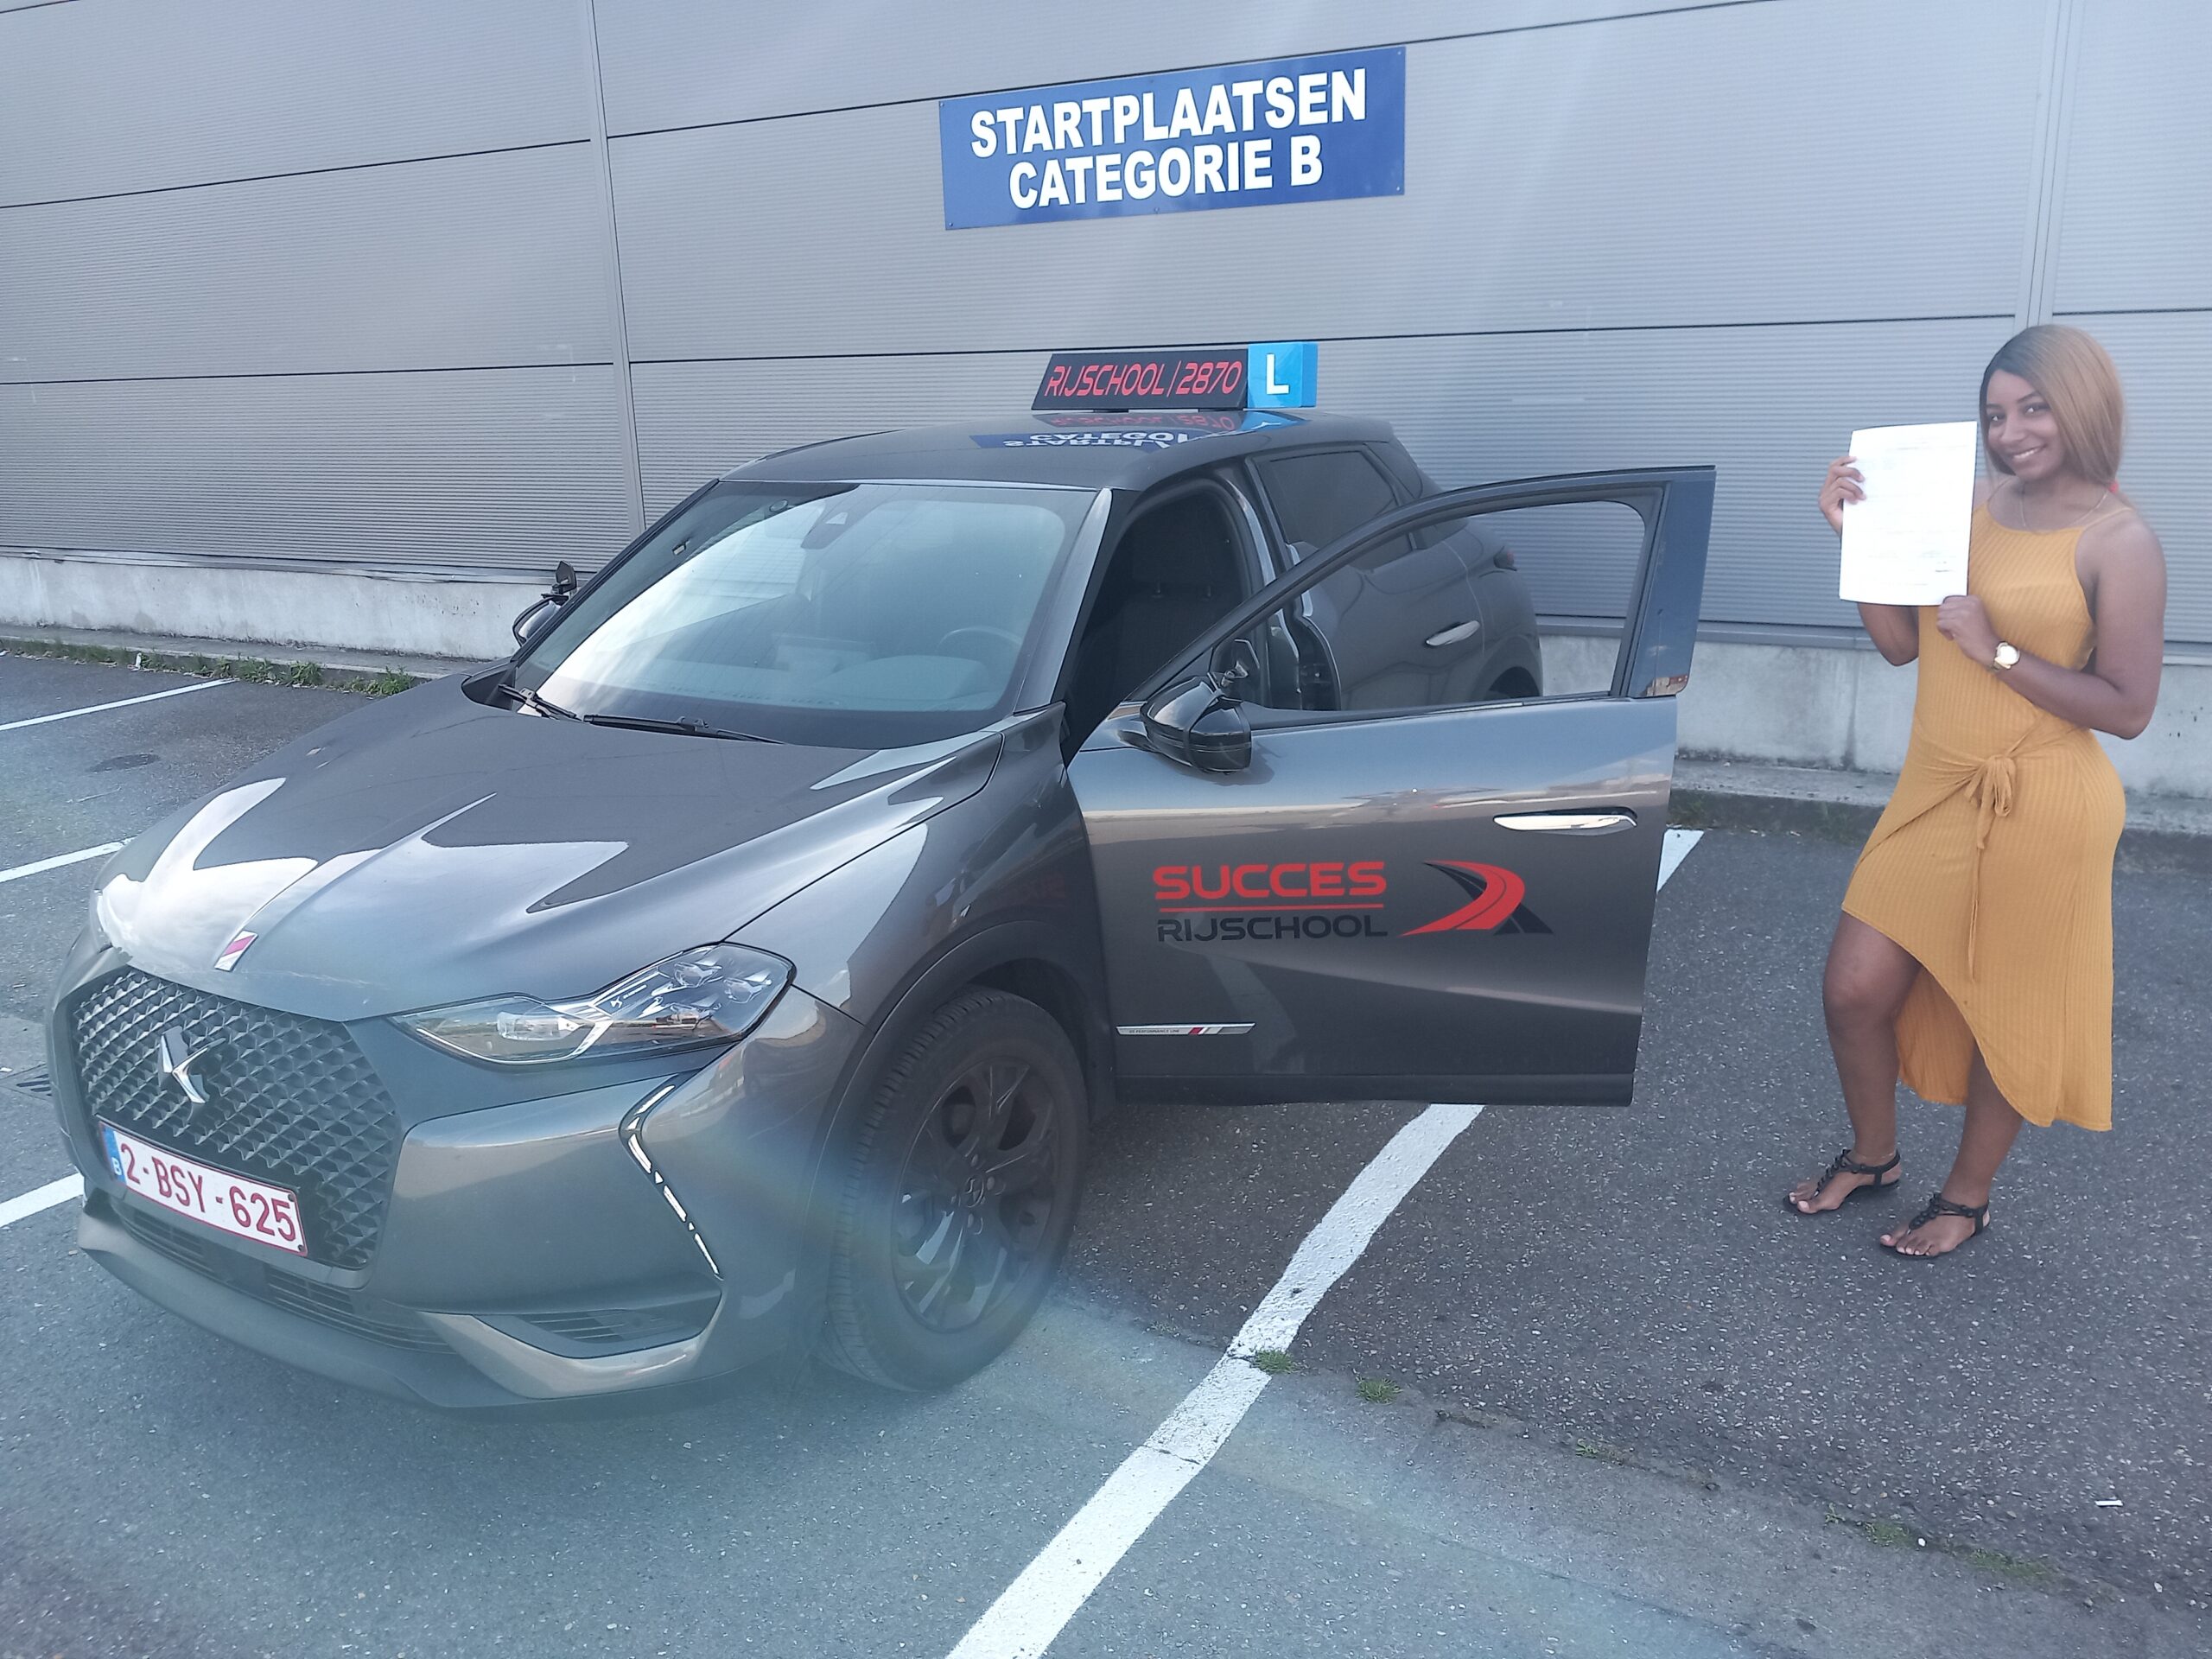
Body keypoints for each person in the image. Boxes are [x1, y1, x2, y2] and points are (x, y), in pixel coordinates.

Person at [1786, 324, 2167, 1256]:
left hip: (2045, 804)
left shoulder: (2120, 541)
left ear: (2084, 406)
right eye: (1995, 414)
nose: (2010, 432)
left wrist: (1998, 651)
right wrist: (1855, 538)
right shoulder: (1956, 506)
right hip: (1936, 787)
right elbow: (1899, 644)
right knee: (1853, 989)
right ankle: (1874, 1156)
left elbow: (2127, 709)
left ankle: (1966, 1196)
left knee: (2008, 1012)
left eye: (2034, 408)